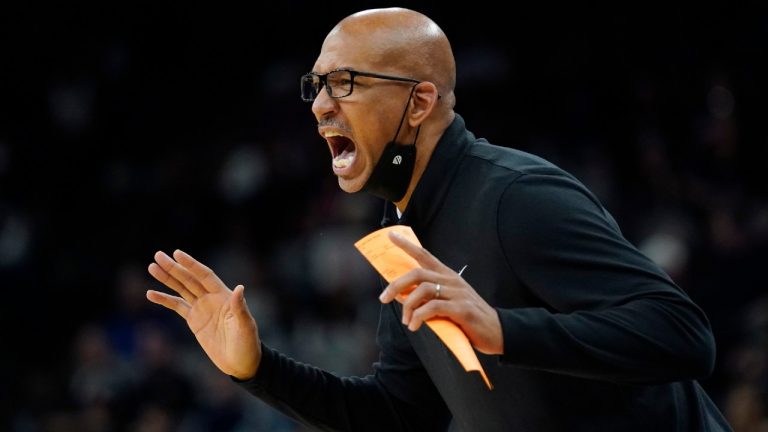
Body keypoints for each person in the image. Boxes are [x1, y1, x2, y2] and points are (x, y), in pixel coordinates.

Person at [146, 7, 733, 431]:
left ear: (419, 102)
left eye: (345, 83)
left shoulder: (515, 195)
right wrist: (257, 370)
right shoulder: (400, 232)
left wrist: (502, 330)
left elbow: (683, 334)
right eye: (318, 85)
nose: (322, 105)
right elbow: (401, 414)